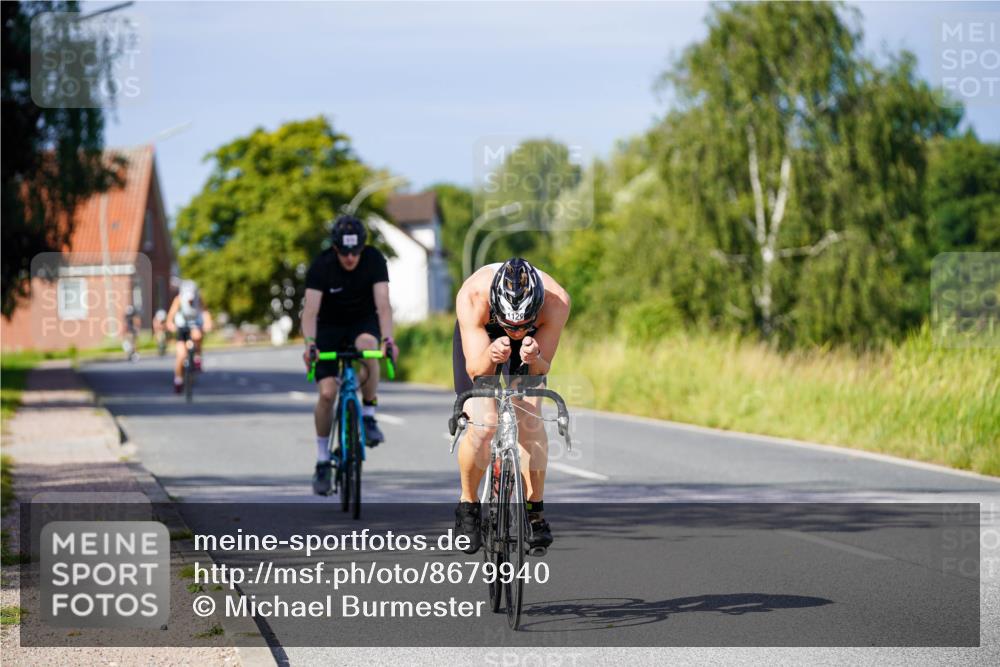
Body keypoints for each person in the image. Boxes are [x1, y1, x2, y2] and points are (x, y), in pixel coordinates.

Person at [452, 257, 570, 554]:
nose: (516, 330)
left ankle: (535, 511)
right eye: (511, 325)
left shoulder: (556, 302)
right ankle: (468, 504)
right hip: (485, 340)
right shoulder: (473, 296)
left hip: (530, 347)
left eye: (523, 324)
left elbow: (542, 369)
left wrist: (534, 358)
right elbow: (476, 369)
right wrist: (492, 354)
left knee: (530, 417)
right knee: (485, 423)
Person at [301, 215, 398, 496]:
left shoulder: (374, 259)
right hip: (327, 327)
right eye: (345, 252)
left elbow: (383, 304)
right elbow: (310, 311)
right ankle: (322, 460)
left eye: (355, 252)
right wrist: (309, 343)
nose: (351, 258)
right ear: (335, 249)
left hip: (361, 321)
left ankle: (368, 414)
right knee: (328, 393)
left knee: (370, 347)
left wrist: (388, 338)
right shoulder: (322, 265)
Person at [166, 280, 213, 393]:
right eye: (189, 299)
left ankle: (197, 357)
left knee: (197, 335)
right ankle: (178, 380)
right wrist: (171, 325)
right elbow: (170, 317)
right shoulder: (179, 300)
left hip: (194, 324)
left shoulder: (198, 298)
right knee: (181, 356)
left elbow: (205, 312)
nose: (191, 301)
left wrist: (208, 322)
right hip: (182, 326)